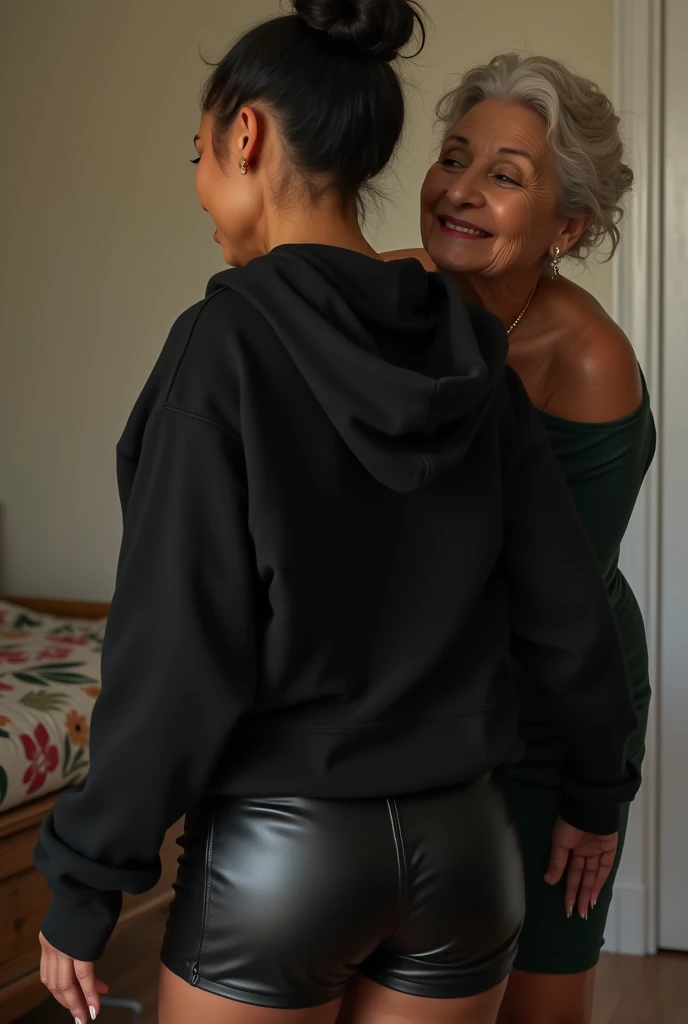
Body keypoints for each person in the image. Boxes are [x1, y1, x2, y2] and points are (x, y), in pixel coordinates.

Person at [33, 12, 639, 1024]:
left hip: (284, 853)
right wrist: (593, 787)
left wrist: (88, 879)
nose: (199, 183)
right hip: (469, 850)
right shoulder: (468, 346)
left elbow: (179, 648)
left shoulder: (221, 343)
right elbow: (566, 601)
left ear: (247, 138)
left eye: (199, 151)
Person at [385, 53, 656, 1024]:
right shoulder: (379, 299)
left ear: (568, 226)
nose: (459, 188)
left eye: (504, 174)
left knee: (537, 994)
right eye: (454, 157)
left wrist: (593, 788)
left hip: (555, 710)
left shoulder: (586, 361)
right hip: (421, 703)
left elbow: (556, 607)